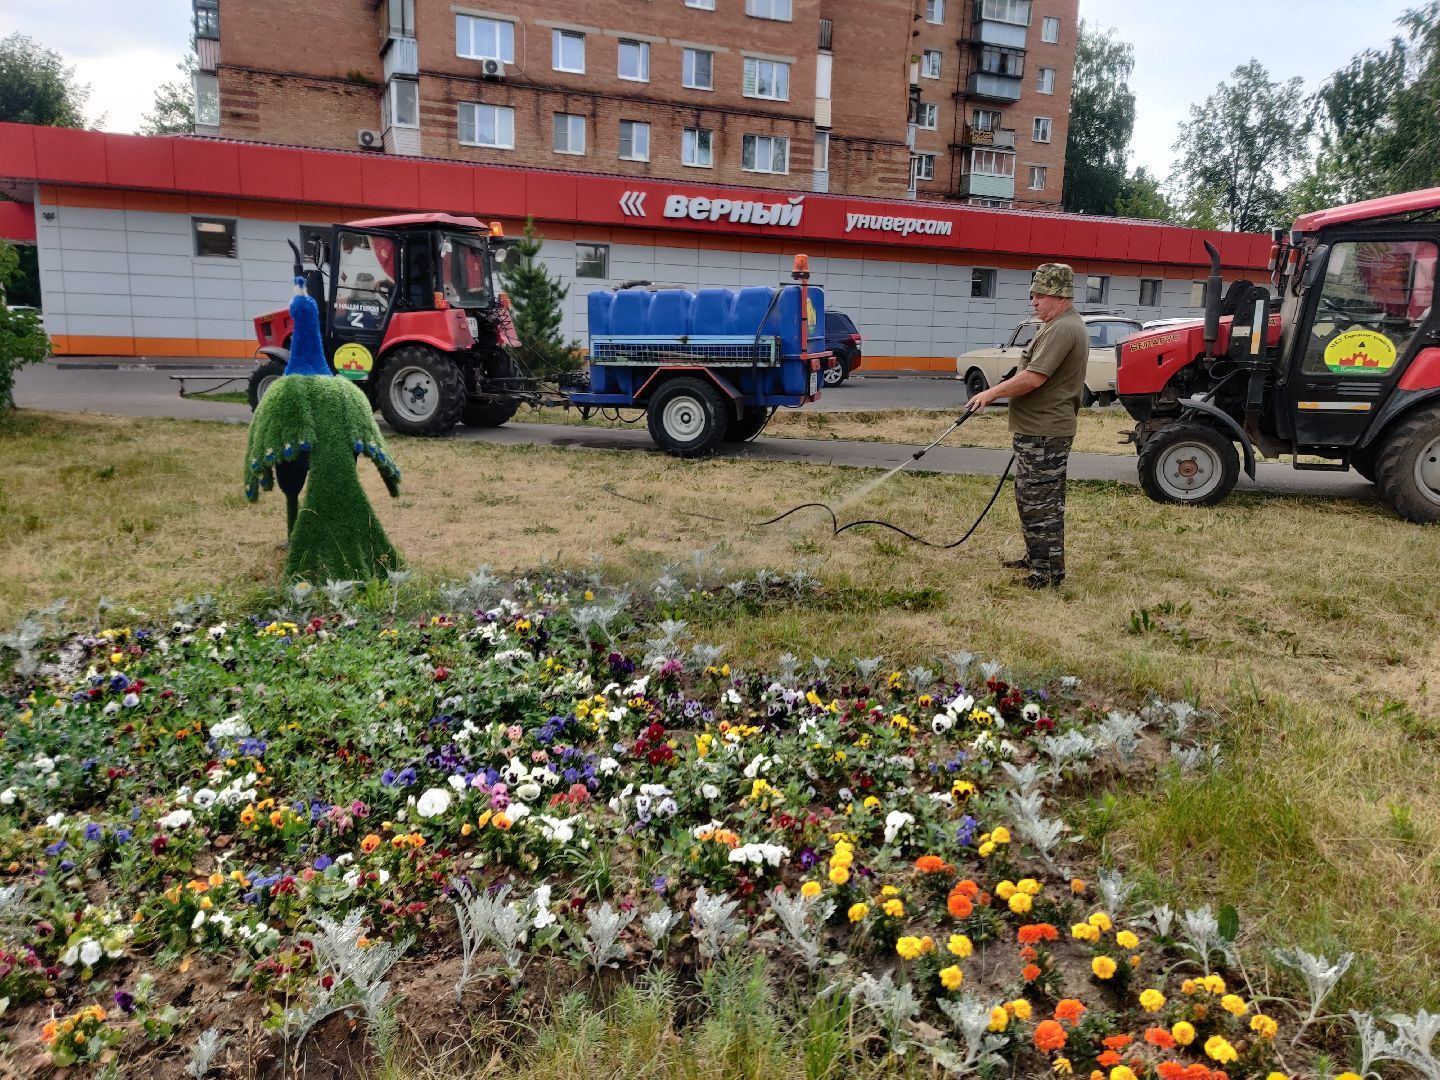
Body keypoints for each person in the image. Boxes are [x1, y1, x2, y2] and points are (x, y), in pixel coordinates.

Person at [964, 263, 1089, 589]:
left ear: (1059, 296)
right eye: (1033, 295)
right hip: (1037, 429)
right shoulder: (1055, 325)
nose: (1033, 301)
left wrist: (990, 393)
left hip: (1045, 432)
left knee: (1041, 503)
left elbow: (1034, 378)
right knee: (1033, 498)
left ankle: (1047, 573)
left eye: (1039, 295)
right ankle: (1038, 558)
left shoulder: (1063, 328)